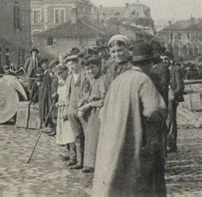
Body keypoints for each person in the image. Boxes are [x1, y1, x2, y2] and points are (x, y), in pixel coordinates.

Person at [92, 41, 167, 197]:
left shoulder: (119, 80)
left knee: (118, 182)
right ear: (150, 63)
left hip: (114, 141)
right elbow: (154, 110)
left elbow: (103, 112)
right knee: (140, 184)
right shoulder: (144, 80)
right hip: (136, 142)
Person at [78, 56, 107, 173]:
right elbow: (89, 94)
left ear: (99, 66)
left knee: (95, 138)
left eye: (92, 68)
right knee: (89, 137)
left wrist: (90, 104)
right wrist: (83, 101)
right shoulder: (91, 79)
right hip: (90, 112)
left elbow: (104, 99)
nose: (90, 71)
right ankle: (89, 163)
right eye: (87, 69)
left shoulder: (103, 79)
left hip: (98, 112)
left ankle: (95, 164)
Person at [64, 53, 88, 170]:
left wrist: (82, 103)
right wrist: (67, 107)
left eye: (73, 64)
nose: (71, 67)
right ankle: (77, 160)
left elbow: (88, 92)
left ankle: (84, 161)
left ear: (78, 63)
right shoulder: (69, 78)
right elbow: (67, 94)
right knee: (75, 136)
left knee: (85, 135)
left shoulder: (86, 75)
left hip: (83, 109)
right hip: (71, 109)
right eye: (69, 65)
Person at [161, 51, 184, 153]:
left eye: (166, 59)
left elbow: (180, 85)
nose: (164, 61)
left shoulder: (175, 69)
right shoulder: (162, 69)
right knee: (165, 120)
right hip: (163, 95)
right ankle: (166, 142)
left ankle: (171, 144)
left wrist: (173, 94)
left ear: (171, 59)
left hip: (171, 96)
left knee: (171, 120)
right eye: (163, 59)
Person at [54, 64, 76, 162]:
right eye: (57, 74)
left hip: (67, 108)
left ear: (66, 71)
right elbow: (60, 95)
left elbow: (70, 96)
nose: (59, 75)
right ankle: (68, 152)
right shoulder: (62, 82)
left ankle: (73, 155)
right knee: (63, 131)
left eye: (60, 73)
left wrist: (66, 108)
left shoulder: (69, 81)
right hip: (60, 108)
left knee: (70, 132)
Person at [150, 40, 170, 106]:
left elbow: (163, 87)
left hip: (159, 102)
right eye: (151, 53)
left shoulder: (163, 67)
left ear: (160, 53)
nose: (153, 55)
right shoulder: (150, 66)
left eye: (155, 52)